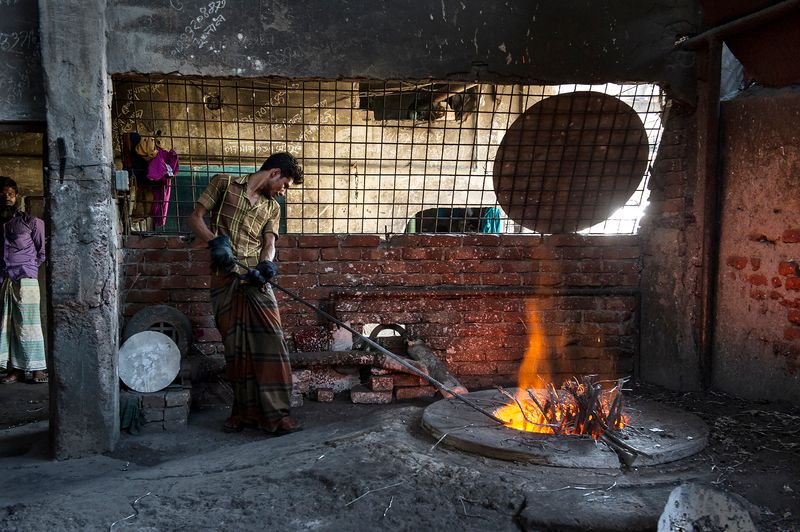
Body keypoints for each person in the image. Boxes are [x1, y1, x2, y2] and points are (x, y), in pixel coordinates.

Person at [188, 152, 304, 435]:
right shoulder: (224, 184)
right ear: (274, 173)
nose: (283, 191)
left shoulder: (272, 207)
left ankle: (277, 415)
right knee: (236, 350)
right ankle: (242, 413)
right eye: (285, 185)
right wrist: (215, 242)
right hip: (225, 278)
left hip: (255, 281)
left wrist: (266, 265)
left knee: (272, 345)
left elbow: (269, 243)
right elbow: (195, 218)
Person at [0, 176, 47, 384]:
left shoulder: (31, 222)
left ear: (17, 196)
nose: (7, 198)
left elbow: (42, 252)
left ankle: (37, 369)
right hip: (4, 279)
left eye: (10, 194)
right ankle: (16, 371)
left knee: (29, 324)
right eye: (2, 194)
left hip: (25, 279)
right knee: (7, 325)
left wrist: (27, 268)